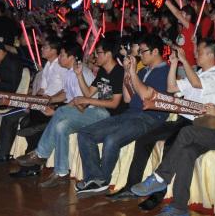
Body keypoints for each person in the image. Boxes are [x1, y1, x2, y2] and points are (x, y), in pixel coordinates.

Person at [130, 41, 215, 216]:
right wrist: (214, 113)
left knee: (187, 132)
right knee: (187, 151)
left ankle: (160, 177)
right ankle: (180, 206)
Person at [106, 38, 215, 206]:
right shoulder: (198, 73)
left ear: (211, 54)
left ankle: (157, 195)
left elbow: (197, 84)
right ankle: (131, 186)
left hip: (200, 123)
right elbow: (171, 88)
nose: (195, 54)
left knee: (170, 144)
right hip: (183, 119)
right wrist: (175, 63)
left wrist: (184, 60)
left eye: (198, 51)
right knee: (144, 138)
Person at [15, 39, 123, 186]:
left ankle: (41, 153)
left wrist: (85, 101)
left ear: (108, 54)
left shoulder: (118, 72)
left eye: (98, 53)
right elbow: (88, 93)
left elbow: (114, 103)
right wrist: (79, 77)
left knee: (60, 112)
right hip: (94, 112)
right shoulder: (103, 71)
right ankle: (61, 173)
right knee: (61, 127)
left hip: (106, 114)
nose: (95, 56)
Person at [73, 34, 170, 197]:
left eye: (143, 51)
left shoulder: (166, 71)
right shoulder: (143, 70)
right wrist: (127, 73)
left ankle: (101, 180)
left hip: (150, 118)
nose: (140, 54)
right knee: (84, 134)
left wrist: (132, 72)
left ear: (155, 52)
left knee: (112, 139)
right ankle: (96, 178)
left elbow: (146, 96)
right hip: (131, 113)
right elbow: (128, 98)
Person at [0, 34, 65, 167]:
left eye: (45, 47)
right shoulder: (48, 66)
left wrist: (36, 102)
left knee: (16, 118)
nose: (41, 49)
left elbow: (64, 92)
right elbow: (42, 90)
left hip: (51, 104)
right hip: (40, 102)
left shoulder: (61, 67)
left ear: (54, 50)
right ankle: (2, 154)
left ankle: (26, 162)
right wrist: (31, 100)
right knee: (9, 117)